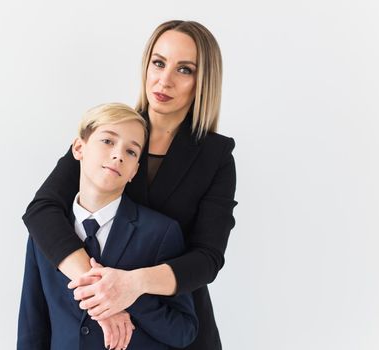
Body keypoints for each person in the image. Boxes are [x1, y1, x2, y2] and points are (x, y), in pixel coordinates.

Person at [23, 20, 237, 350]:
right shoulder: (113, 131)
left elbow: (207, 259)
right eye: (158, 62)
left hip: (174, 328)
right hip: (93, 328)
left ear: (202, 81)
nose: (164, 79)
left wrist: (132, 285)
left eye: (184, 69)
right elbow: (41, 212)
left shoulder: (216, 156)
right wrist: (101, 292)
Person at [17, 103, 198, 350]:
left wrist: (126, 294)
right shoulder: (45, 233)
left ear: (135, 171)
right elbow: (32, 325)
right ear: (79, 148)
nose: (118, 155)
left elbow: (183, 331)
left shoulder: (160, 233)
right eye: (107, 141)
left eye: (131, 152)